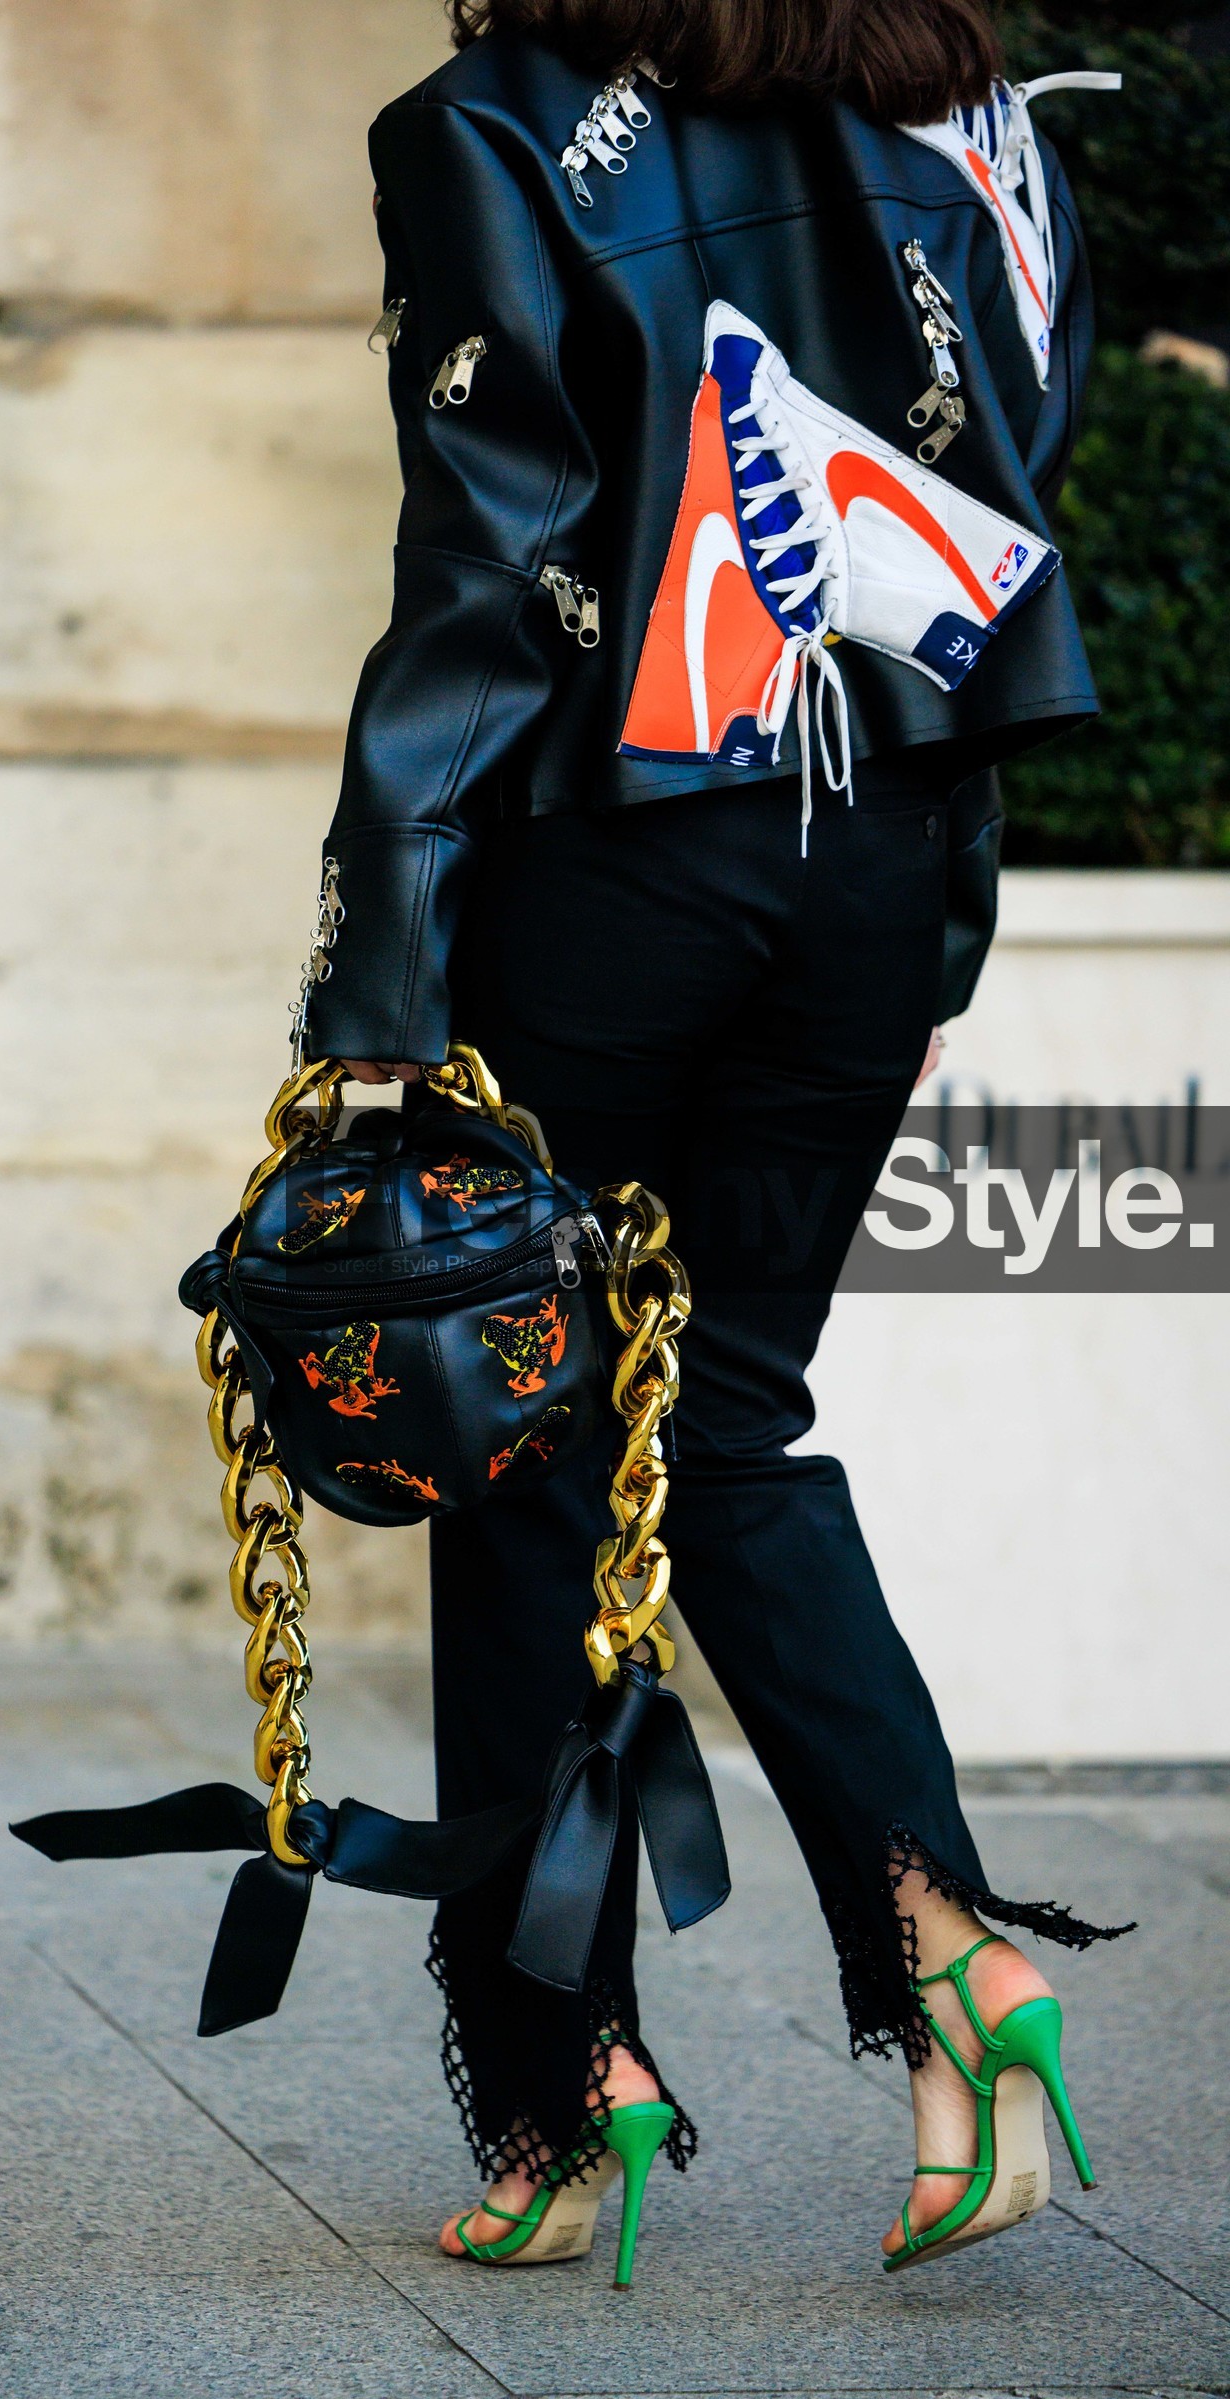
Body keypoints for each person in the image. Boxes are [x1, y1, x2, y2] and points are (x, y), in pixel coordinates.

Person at [304, 0, 1128, 2278]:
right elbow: (1006, 496)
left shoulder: (488, 127)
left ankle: (564, 2097)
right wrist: (925, 931)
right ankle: (951, 1958)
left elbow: (491, 552)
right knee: (733, 1413)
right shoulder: (968, 118)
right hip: (867, 853)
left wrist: (373, 976)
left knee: (516, 1436)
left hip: (619, 853)